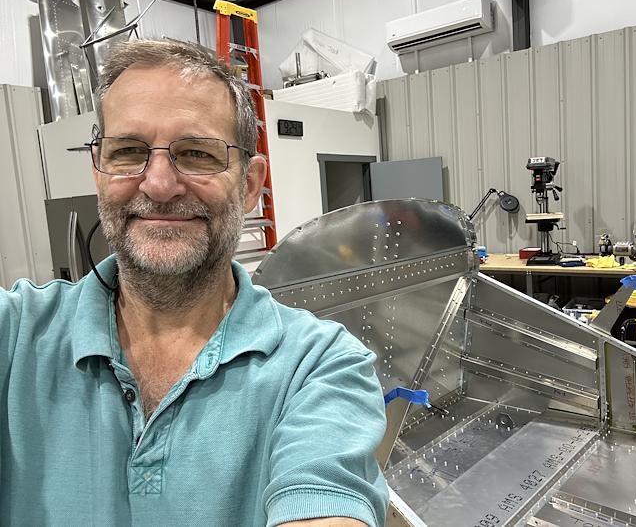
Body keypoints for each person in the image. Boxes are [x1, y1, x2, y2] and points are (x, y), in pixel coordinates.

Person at [0, 39, 388, 526]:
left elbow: (324, 496)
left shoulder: (318, 367)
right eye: (128, 151)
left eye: (197, 153)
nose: (159, 185)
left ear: (250, 185)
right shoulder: (15, 334)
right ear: (99, 173)